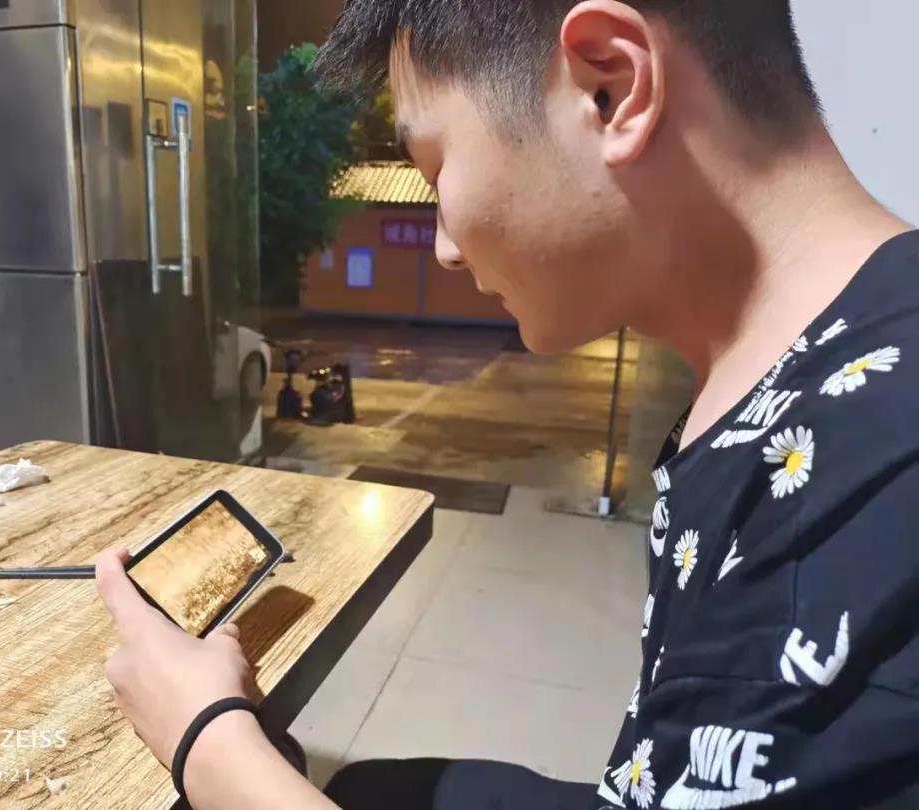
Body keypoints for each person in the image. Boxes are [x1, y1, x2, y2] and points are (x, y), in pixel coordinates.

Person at [94, 0, 919, 807]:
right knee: (381, 789)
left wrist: (207, 742)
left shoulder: (857, 485)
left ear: (610, 87)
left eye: (435, 166)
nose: (446, 248)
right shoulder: (821, 358)